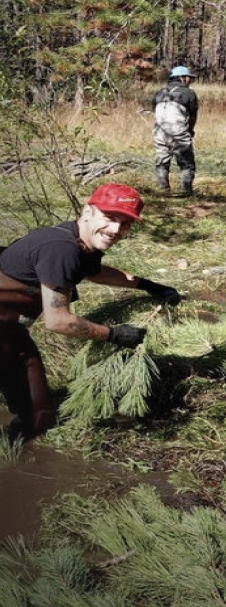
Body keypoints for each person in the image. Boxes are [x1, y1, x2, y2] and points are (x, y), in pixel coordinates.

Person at [0, 183, 182, 443]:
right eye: (110, 218)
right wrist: (113, 335)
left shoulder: (80, 241)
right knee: (36, 414)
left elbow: (95, 272)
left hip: (10, 329)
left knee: (36, 408)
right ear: (88, 212)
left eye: (126, 223)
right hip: (5, 331)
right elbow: (58, 320)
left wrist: (147, 285)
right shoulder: (61, 249)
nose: (116, 230)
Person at [152, 65, 198, 195]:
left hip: (159, 132)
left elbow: (155, 112)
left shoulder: (160, 92)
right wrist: (190, 130)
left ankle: (163, 191)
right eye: (189, 78)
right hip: (178, 132)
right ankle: (186, 192)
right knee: (187, 163)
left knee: (162, 161)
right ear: (181, 78)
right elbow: (193, 116)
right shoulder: (189, 93)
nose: (190, 81)